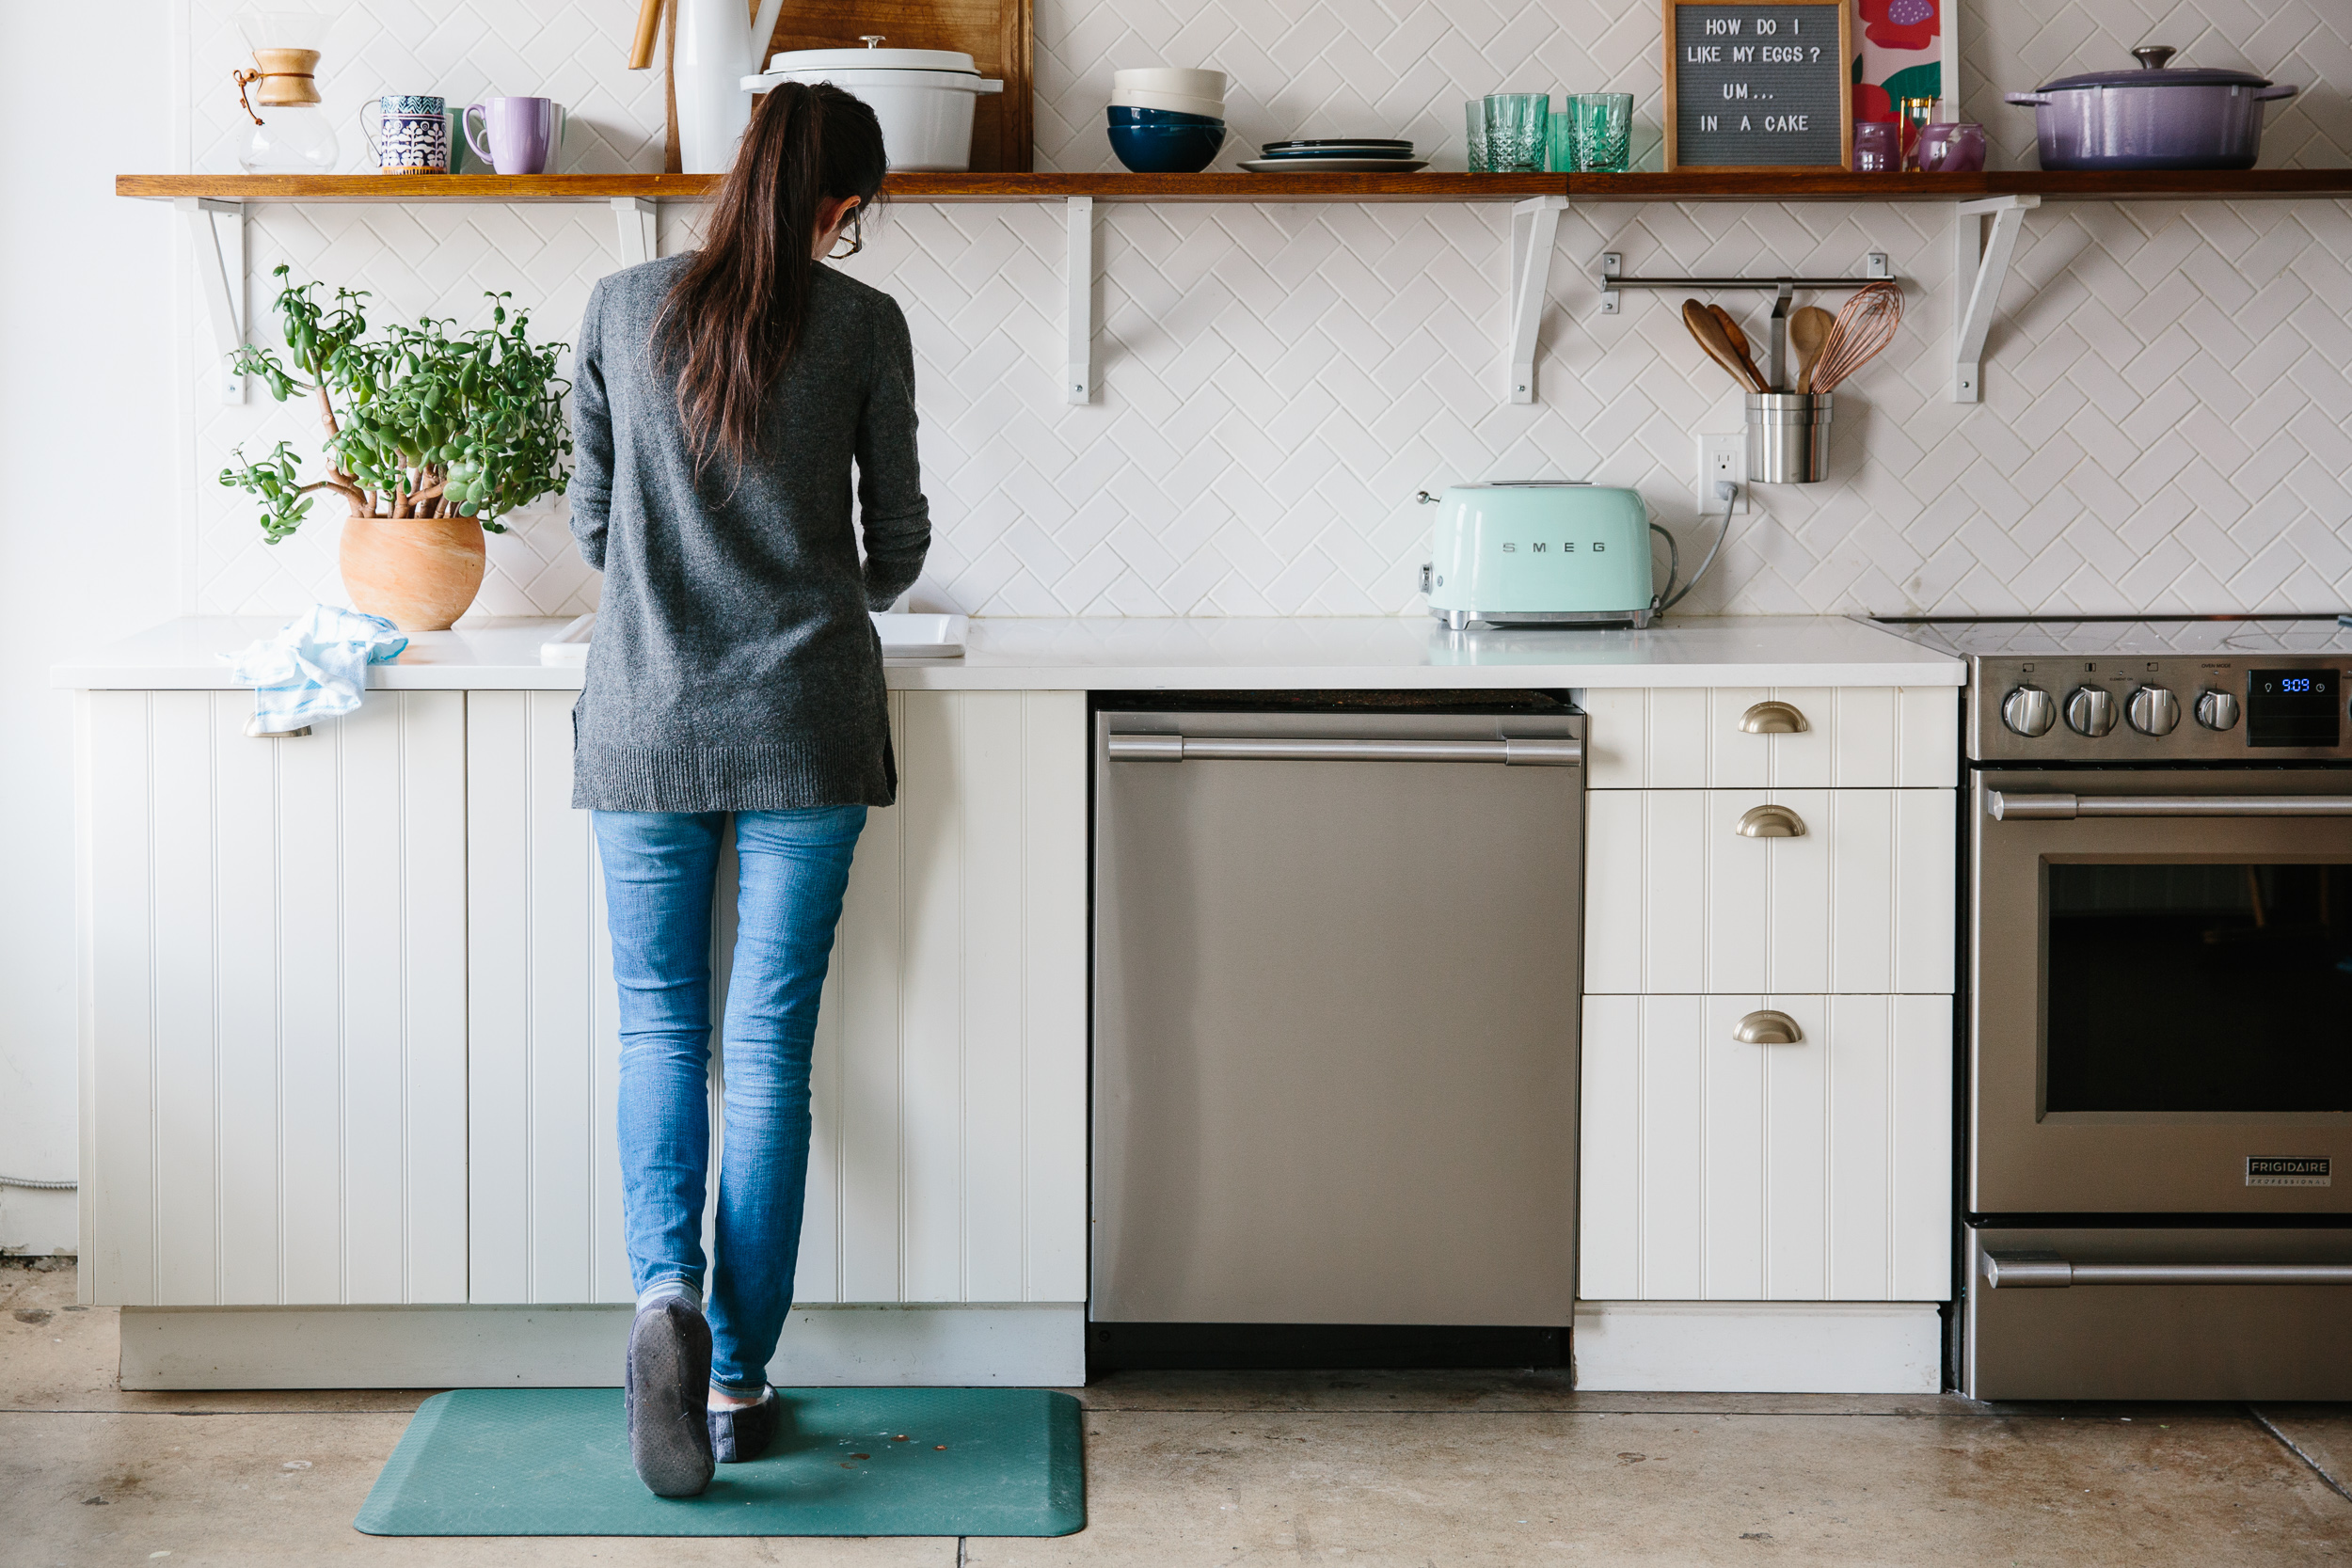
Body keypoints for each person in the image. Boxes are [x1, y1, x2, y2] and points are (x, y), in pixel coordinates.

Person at [564, 82, 930, 1498]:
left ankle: (666, 1302)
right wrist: (823, 584)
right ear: (843, 205)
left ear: (741, 173)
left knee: (659, 1030)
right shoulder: (864, 324)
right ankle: (732, 1377)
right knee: (766, 1051)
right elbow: (891, 541)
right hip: (805, 724)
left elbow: (597, 528)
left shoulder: (616, 304)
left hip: (647, 723)